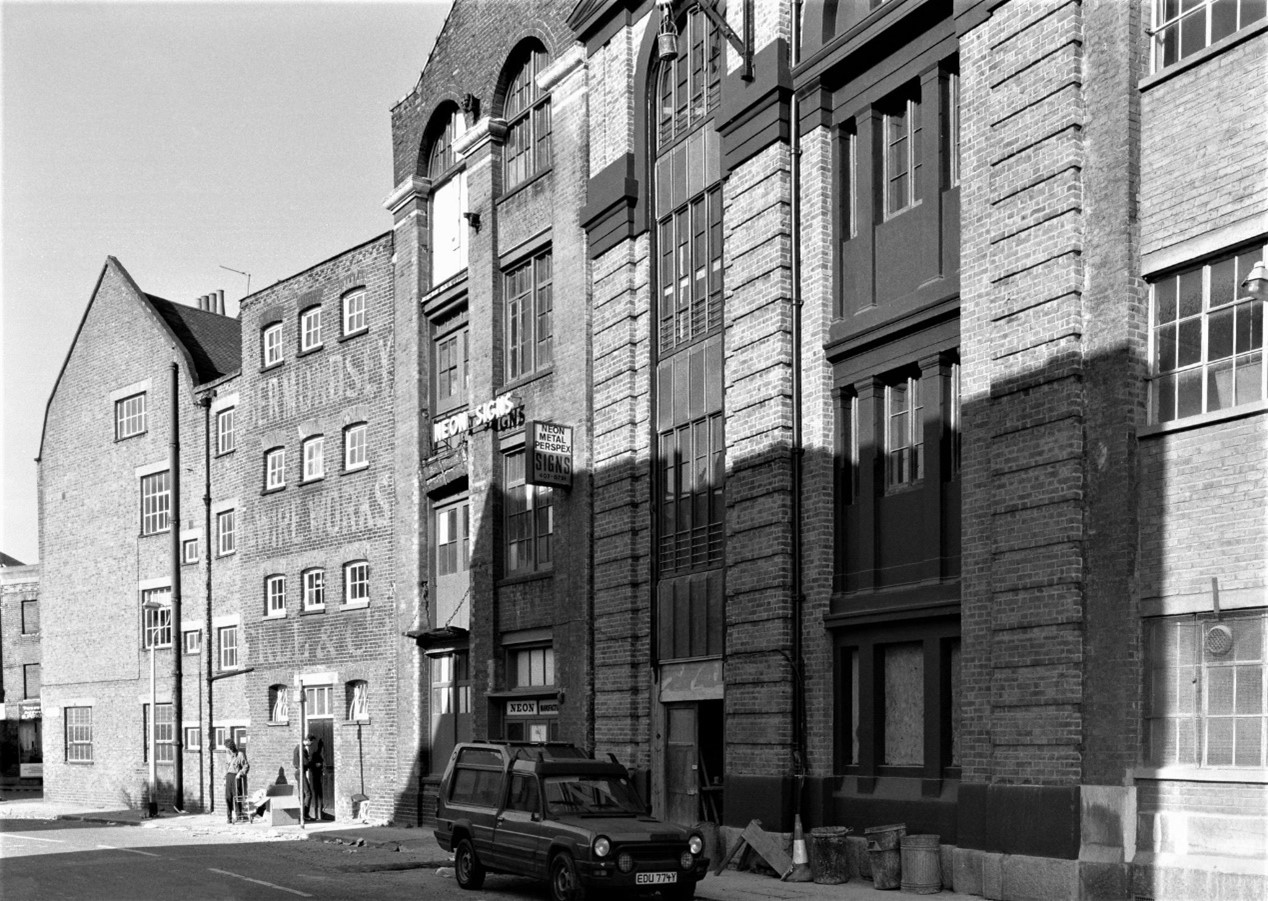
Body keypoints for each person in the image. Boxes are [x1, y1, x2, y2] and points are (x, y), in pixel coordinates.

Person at [224, 738, 249, 824]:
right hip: (229, 777)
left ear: (230, 747)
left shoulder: (240, 754)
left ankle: (239, 816)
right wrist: (225, 778)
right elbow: (227, 767)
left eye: (226, 748)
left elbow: (246, 766)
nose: (226, 750)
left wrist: (240, 773)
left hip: (236, 776)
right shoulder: (227, 755)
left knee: (237, 796)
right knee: (228, 797)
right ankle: (229, 817)